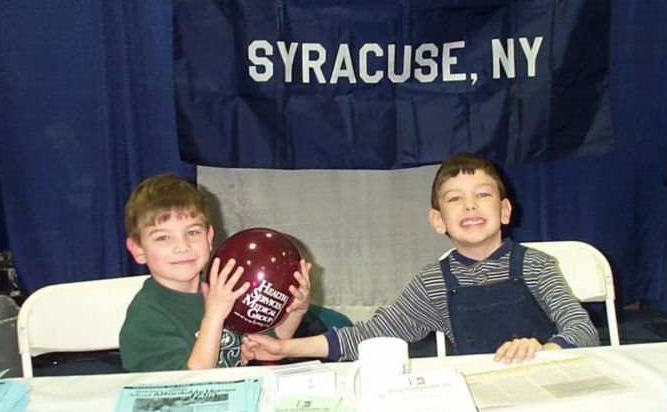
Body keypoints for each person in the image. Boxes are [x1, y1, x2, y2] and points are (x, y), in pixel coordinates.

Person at [242, 153, 598, 365]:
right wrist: (285, 346)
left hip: (550, 387)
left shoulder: (538, 267)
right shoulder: (433, 283)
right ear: (438, 220)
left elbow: (583, 332)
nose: (470, 205)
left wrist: (542, 354)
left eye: (483, 194)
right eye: (455, 199)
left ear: (505, 210)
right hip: (481, 401)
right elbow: (370, 335)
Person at [119, 173, 311, 372]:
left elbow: (271, 345)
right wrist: (215, 315)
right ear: (138, 250)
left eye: (192, 233)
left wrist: (295, 310)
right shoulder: (146, 317)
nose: (182, 246)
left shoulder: (223, 290)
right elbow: (188, 385)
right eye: (163, 238)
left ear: (209, 237)